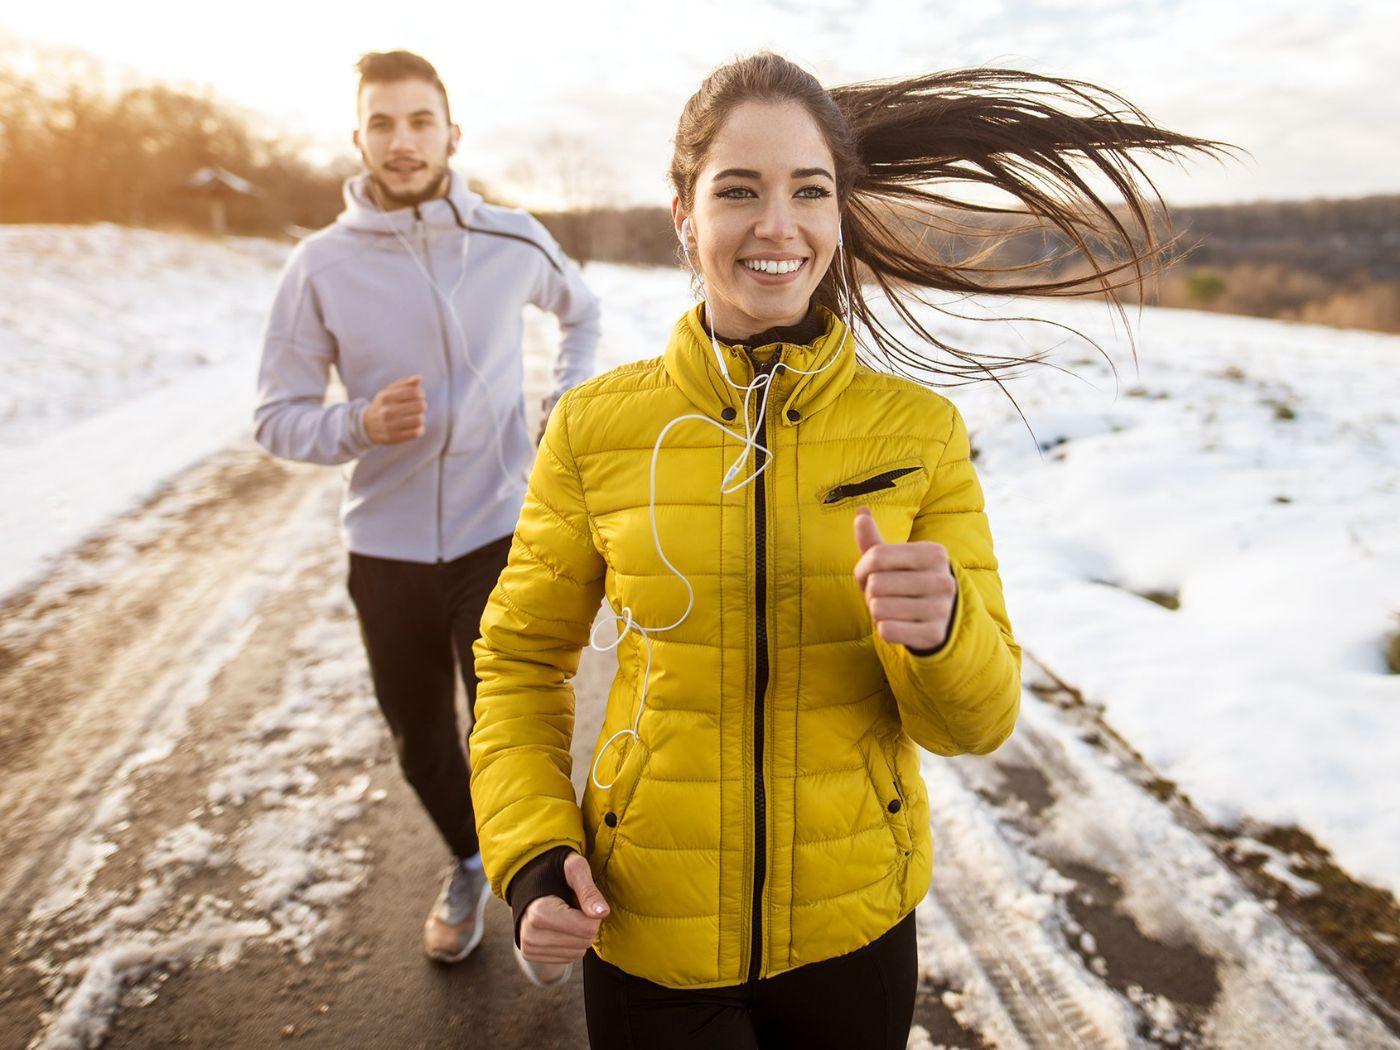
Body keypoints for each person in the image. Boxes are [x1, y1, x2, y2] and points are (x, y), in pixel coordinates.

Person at [469, 53, 1228, 1045]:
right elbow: (519, 661)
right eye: (737, 190)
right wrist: (530, 852)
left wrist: (941, 631)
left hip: (854, 932)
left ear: (839, 216)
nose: (774, 224)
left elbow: (979, 722)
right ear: (682, 216)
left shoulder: (916, 433)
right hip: (648, 925)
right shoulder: (595, 429)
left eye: (807, 192)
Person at [253, 49, 600, 965]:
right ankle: (466, 855)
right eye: (381, 123)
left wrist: (566, 398)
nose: (401, 142)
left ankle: (534, 891)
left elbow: (584, 311)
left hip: (498, 532)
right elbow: (275, 418)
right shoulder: (319, 266)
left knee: (508, 726)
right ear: (357, 138)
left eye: (418, 121)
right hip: (388, 549)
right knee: (420, 743)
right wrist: (357, 424)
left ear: (452, 131)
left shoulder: (511, 238)